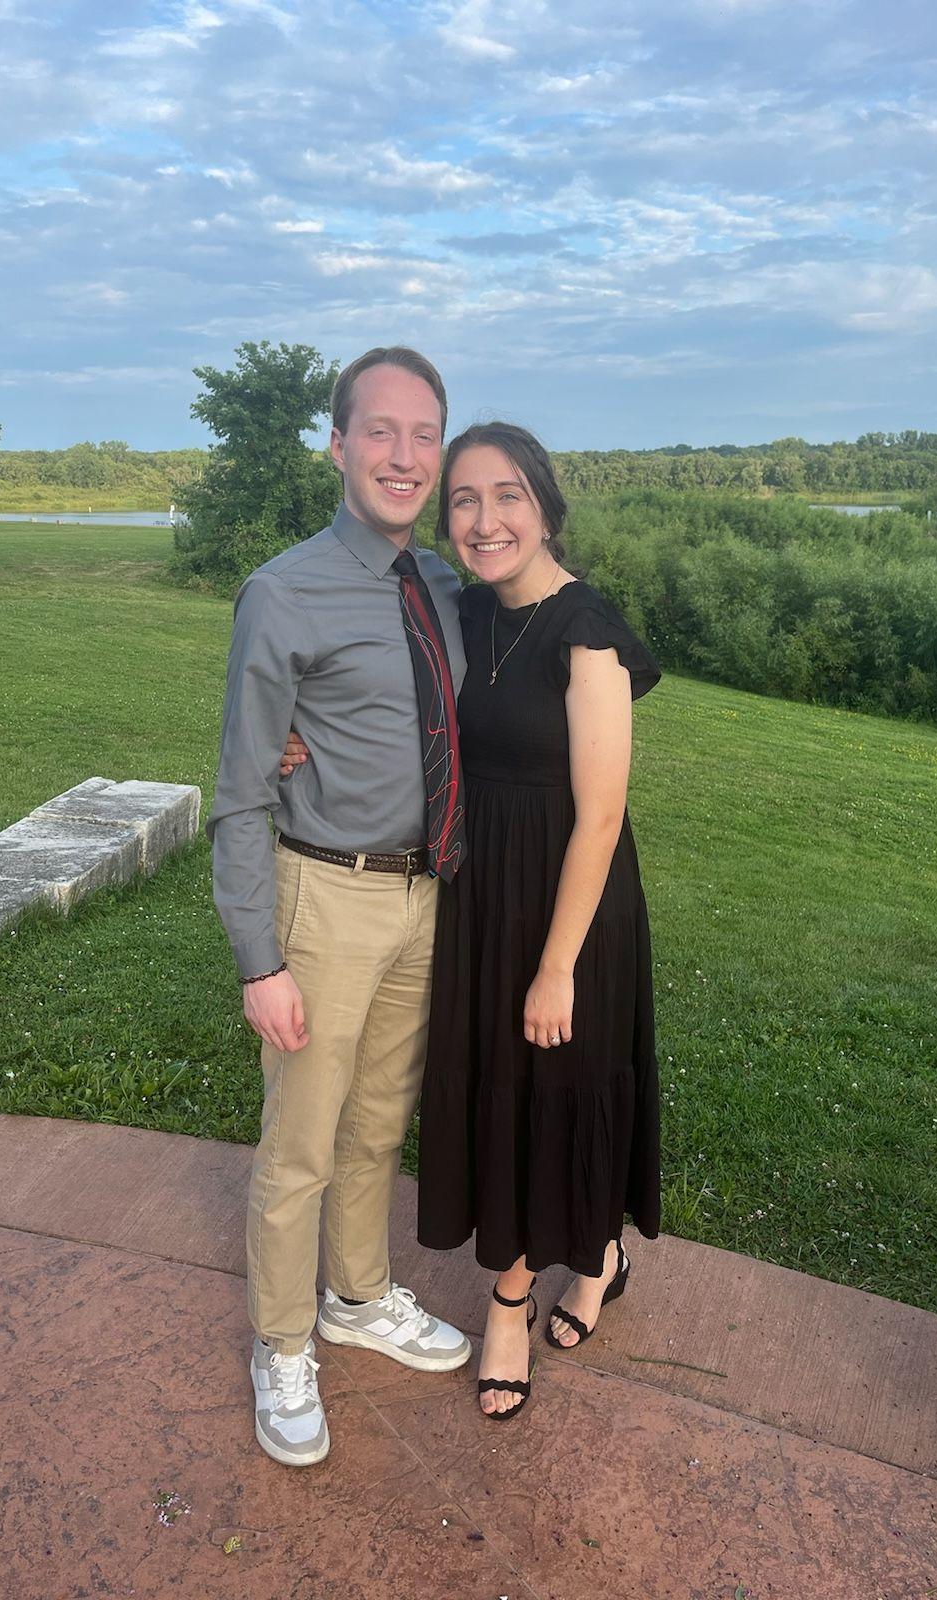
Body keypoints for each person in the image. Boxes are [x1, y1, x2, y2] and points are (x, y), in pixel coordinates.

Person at [282, 421, 662, 1420]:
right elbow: (384, 697)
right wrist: (299, 733)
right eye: (463, 499)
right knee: (504, 1088)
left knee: (560, 1085)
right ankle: (601, 1252)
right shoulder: (461, 609)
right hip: (479, 894)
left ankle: (514, 1299)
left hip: (569, 904)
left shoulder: (587, 632)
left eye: (506, 497)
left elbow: (602, 816)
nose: (484, 520)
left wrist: (557, 965)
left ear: (545, 508)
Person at [208, 347, 472, 1469]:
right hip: (325, 897)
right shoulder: (284, 589)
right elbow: (238, 787)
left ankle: (357, 1296)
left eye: (424, 435)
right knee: (302, 1143)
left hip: (424, 896)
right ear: (337, 445)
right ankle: (281, 1343)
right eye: (381, 431)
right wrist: (258, 956)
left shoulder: (447, 587)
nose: (403, 456)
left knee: (377, 1125)